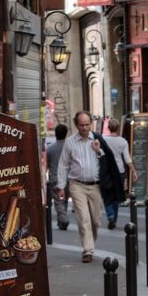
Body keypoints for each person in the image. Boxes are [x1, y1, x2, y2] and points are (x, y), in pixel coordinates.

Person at [56, 112, 107, 263]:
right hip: (77, 185)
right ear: (76, 125)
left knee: (95, 221)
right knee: (83, 218)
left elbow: (107, 160)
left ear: (90, 123)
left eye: (87, 124)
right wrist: (61, 186)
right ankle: (88, 250)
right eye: (81, 125)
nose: (85, 128)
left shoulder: (98, 139)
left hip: (95, 185)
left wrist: (98, 151)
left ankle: (90, 242)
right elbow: (63, 165)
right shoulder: (70, 142)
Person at [103, 118, 138, 229]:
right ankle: (114, 218)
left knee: (107, 194)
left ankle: (110, 215)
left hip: (107, 170)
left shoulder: (103, 139)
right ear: (118, 128)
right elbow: (127, 158)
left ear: (108, 127)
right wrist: (133, 171)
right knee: (116, 195)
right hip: (119, 170)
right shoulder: (123, 141)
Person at [46, 124, 69, 230]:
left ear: (55, 134)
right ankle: (62, 220)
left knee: (58, 200)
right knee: (64, 199)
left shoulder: (50, 148)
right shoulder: (69, 147)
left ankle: (63, 219)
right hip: (68, 177)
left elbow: (47, 164)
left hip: (55, 178)